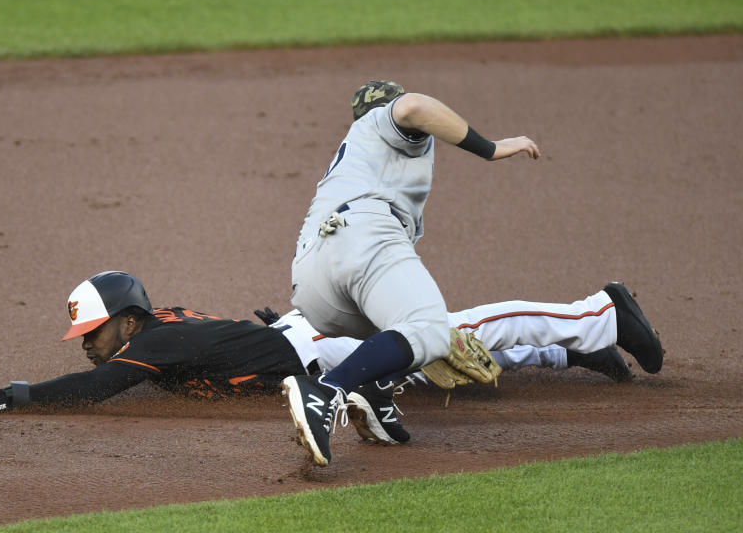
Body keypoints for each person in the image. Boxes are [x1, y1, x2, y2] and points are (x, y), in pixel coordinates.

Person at [281, 81, 663, 466]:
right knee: (428, 329)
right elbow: (413, 107)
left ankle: (375, 391)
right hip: (361, 234)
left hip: (313, 284)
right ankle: (326, 390)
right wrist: (493, 148)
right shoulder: (386, 124)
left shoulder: (352, 166)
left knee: (403, 332)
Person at [0, 271, 661, 446]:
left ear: (126, 323)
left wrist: (14, 396)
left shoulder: (152, 344)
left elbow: (91, 391)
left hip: (321, 351)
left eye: (94, 334)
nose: (91, 345)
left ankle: (600, 311)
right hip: (305, 346)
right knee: (446, 371)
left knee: (449, 332)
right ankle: (577, 353)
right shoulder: (158, 329)